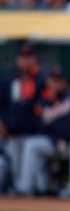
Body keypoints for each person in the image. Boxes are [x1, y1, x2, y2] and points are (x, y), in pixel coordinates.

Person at [15, 69, 70, 195]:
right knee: (32, 144)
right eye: (53, 81)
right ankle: (25, 187)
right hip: (55, 143)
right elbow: (40, 127)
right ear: (48, 82)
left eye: (58, 80)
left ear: (64, 82)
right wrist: (56, 140)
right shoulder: (43, 101)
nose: (56, 84)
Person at [3, 43, 45, 185]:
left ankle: (30, 193)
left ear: (34, 59)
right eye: (23, 57)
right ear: (18, 59)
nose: (25, 60)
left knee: (33, 173)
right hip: (12, 132)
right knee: (16, 169)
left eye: (28, 57)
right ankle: (19, 194)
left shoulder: (41, 79)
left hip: (33, 133)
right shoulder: (10, 79)